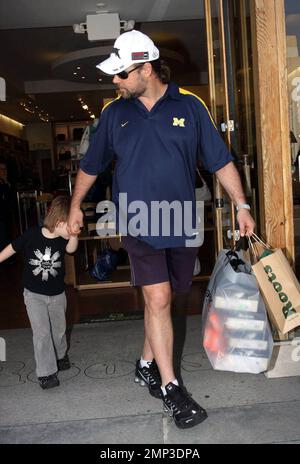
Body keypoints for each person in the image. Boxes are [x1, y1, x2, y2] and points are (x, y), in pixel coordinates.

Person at [67, 30, 255, 428]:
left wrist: (241, 204)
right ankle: (171, 389)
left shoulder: (190, 107)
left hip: (182, 222)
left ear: (146, 69)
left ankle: (146, 364)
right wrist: (74, 208)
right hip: (137, 220)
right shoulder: (115, 115)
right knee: (159, 299)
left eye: (121, 74)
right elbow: (91, 165)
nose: (114, 81)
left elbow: (220, 161)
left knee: (168, 300)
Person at [0, 196, 78, 389]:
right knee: (42, 333)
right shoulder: (31, 235)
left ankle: (60, 355)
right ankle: (46, 373)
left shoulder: (63, 238)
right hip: (34, 295)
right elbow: (10, 249)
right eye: (73, 225)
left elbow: (71, 250)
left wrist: (74, 235)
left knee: (59, 330)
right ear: (60, 223)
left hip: (58, 294)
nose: (77, 228)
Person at [0, 158, 13, 251]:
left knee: (7, 234)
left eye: (5, 169)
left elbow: (9, 198)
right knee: (3, 236)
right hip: (1, 215)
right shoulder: (3, 183)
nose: (4, 171)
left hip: (6, 214)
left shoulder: (6, 182)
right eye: (1, 169)